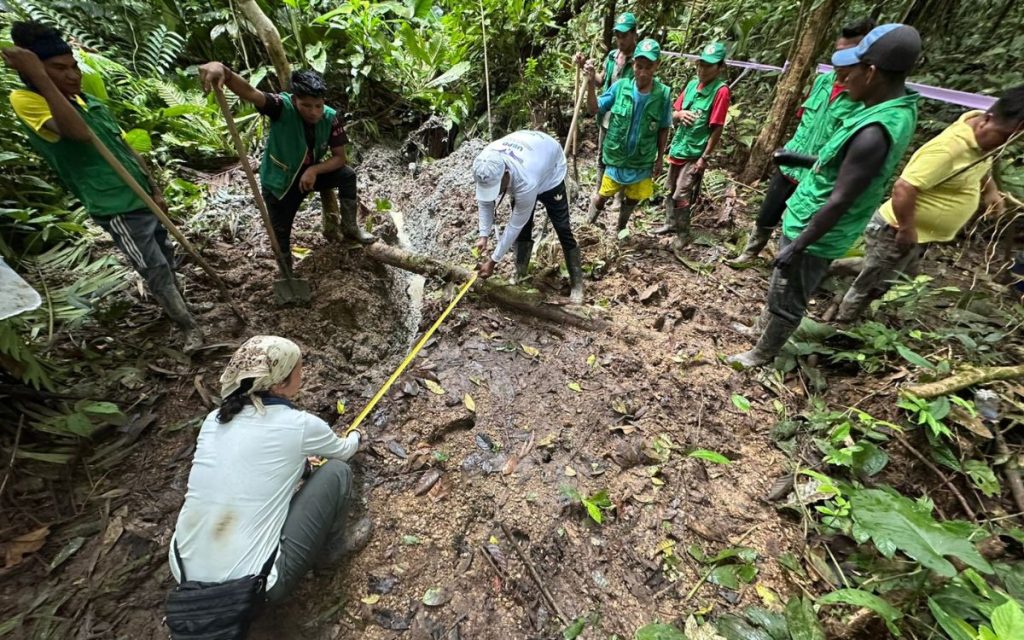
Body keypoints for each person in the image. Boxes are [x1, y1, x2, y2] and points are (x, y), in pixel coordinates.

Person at [728, 24, 922, 369]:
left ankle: (761, 354)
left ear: (872, 72)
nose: (844, 80)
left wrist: (798, 245)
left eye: (853, 71)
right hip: (808, 213)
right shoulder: (879, 111)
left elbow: (840, 199)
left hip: (817, 231)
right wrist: (800, 160)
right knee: (780, 288)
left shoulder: (875, 131)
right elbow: (843, 165)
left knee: (789, 297)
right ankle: (759, 332)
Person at [3, 22, 203, 351]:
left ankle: (183, 307)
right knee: (153, 267)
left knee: (166, 257)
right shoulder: (27, 99)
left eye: (73, 67)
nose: (71, 75)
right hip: (115, 204)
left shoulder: (87, 102)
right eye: (58, 69)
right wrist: (38, 78)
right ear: (37, 70)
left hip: (141, 195)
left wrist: (154, 188)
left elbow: (127, 149)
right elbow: (78, 133)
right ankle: (186, 326)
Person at [169, 336, 368, 604]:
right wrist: (356, 434)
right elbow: (345, 450)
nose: (303, 373)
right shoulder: (299, 424)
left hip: (183, 572)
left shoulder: (213, 420)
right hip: (254, 587)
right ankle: (330, 553)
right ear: (278, 383)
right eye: (299, 369)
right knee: (337, 472)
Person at [835, 86, 1024, 322]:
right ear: (986, 119)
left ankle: (836, 267)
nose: (1003, 144)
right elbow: (904, 188)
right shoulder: (948, 149)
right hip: (894, 229)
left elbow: (981, 166)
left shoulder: (981, 141)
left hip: (920, 233)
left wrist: (991, 192)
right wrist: (906, 229)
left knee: (897, 273)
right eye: (1004, 137)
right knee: (874, 284)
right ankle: (842, 322)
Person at [197, 62, 375, 269]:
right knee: (280, 232)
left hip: (309, 174)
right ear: (294, 99)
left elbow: (339, 158)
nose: (314, 112)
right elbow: (251, 93)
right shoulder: (281, 107)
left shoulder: (330, 117)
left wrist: (314, 170)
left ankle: (350, 227)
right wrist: (226, 73)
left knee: (347, 175)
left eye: (318, 105)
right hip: (281, 181)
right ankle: (286, 271)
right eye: (306, 106)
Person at [735, 17, 876, 263]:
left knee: (799, 224)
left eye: (848, 54)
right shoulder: (822, 81)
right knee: (767, 212)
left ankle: (785, 263)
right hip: (791, 162)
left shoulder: (864, 99)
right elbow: (804, 119)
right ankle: (750, 253)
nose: (838, 61)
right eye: (837, 52)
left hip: (818, 172)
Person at [473, 130, 584, 303]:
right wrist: (483, 235)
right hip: (530, 152)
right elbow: (485, 202)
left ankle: (577, 284)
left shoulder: (526, 181)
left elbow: (514, 225)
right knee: (524, 231)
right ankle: (520, 272)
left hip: (551, 172)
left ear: (506, 174)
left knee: (562, 228)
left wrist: (493, 261)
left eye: (497, 187)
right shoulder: (485, 164)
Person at [584, 38, 672, 233]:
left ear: (657, 65)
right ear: (633, 64)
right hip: (616, 156)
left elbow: (664, 127)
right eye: (639, 66)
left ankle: (620, 228)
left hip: (642, 159)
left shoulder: (663, 95)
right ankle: (587, 226)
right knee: (602, 194)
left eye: (648, 67)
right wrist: (590, 84)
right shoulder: (621, 86)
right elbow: (593, 108)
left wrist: (659, 159)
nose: (642, 72)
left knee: (633, 197)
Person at [656, 41, 731, 250]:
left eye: (708, 66)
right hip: (680, 146)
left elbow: (717, 128)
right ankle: (670, 223)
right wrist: (679, 115)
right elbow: (674, 112)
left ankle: (683, 234)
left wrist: (704, 157)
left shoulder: (721, 91)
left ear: (719, 67)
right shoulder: (691, 85)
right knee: (669, 188)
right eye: (700, 64)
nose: (702, 70)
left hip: (695, 152)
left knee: (681, 193)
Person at [575, 12, 640, 188]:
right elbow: (601, 81)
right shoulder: (612, 56)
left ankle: (618, 195)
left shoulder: (639, 61)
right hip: (607, 115)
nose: (620, 40)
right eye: (618, 35)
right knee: (602, 154)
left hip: (626, 116)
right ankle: (599, 190)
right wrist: (586, 68)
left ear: (634, 34)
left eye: (624, 35)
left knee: (621, 156)